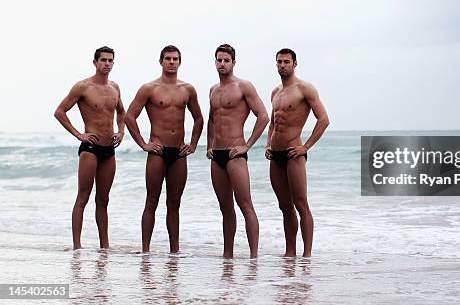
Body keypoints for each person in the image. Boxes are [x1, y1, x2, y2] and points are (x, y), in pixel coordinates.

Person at [126, 45, 204, 253]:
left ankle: (175, 252)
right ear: (161, 61)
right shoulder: (149, 88)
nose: (171, 62)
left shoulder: (187, 89)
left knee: (174, 203)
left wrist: (194, 144)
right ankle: (145, 250)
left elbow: (199, 118)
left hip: (178, 152)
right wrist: (143, 144)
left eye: (175, 59)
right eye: (168, 58)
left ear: (180, 62)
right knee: (152, 200)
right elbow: (129, 116)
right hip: (157, 152)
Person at [54, 46, 125, 250]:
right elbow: (60, 112)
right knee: (83, 197)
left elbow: (121, 112)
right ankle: (77, 246)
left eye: (110, 60)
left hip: (108, 150)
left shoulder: (114, 88)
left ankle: (105, 247)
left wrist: (120, 131)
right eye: (103, 60)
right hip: (90, 149)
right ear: (95, 63)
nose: (107, 64)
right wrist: (79, 134)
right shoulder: (83, 87)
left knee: (103, 199)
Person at [266, 48, 330, 257]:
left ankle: (307, 255)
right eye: (279, 62)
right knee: (284, 206)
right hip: (275, 156)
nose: (282, 65)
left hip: (294, 154)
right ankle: (290, 252)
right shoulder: (275, 92)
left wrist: (305, 147)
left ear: (295, 64)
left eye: (286, 62)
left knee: (300, 204)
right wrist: (268, 144)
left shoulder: (304, 88)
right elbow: (273, 122)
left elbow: (323, 119)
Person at [207, 44, 269, 258]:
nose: (222, 64)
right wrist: (209, 145)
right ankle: (228, 256)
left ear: (233, 62)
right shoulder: (213, 90)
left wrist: (247, 145)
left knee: (245, 205)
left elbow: (263, 116)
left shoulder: (244, 87)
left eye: (226, 60)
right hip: (218, 155)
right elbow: (212, 119)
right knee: (225, 207)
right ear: (215, 62)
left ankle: (254, 257)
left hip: (236, 154)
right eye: (219, 60)